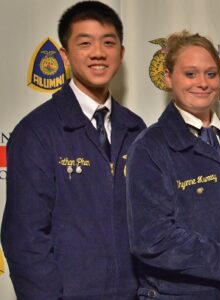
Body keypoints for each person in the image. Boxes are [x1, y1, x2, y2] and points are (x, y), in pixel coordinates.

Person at [1, 1, 146, 299]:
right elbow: (24, 238)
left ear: (121, 53)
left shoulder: (136, 129)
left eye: (108, 42)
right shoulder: (37, 132)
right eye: (85, 43)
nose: (98, 53)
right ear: (65, 55)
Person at [126, 31, 220, 299]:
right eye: (190, 74)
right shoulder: (151, 147)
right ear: (167, 77)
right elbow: (153, 239)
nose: (203, 83)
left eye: (211, 74)